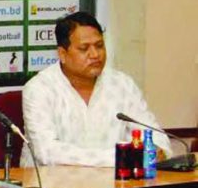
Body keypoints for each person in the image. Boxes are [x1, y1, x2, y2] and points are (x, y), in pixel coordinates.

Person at [20, 12, 172, 167]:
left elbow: (156, 137)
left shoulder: (122, 85)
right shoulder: (39, 89)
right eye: (84, 48)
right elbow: (48, 152)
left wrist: (158, 150)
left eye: (99, 46)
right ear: (62, 54)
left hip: (116, 186)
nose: (95, 55)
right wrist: (123, 157)